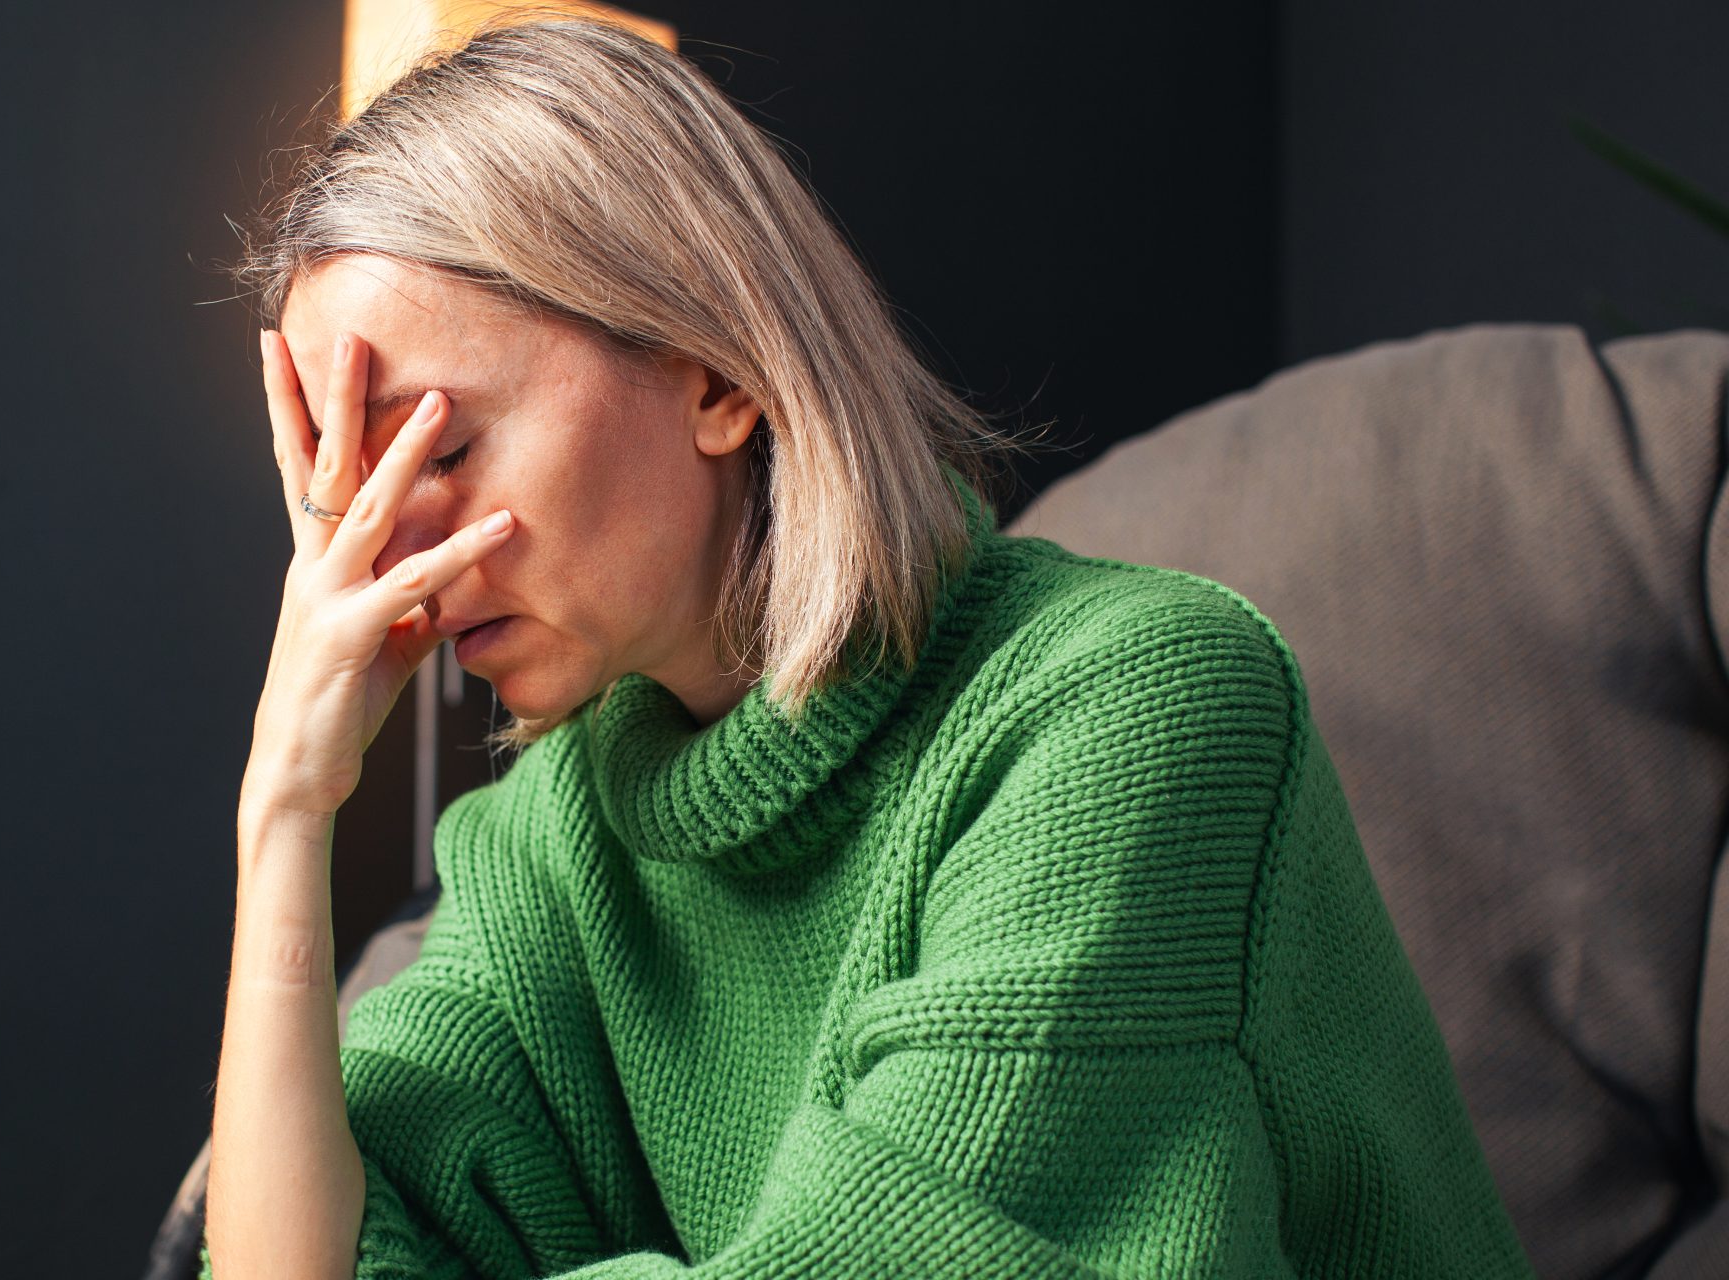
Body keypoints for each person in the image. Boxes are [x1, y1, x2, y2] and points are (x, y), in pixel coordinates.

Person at [200, 16, 1535, 1279]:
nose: (376, 549)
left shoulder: (1141, 705)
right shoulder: (552, 849)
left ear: (715, 371)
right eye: (348, 477)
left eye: (440, 441)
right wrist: (286, 807)